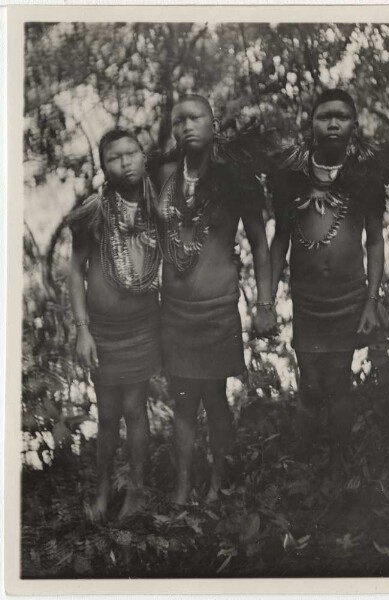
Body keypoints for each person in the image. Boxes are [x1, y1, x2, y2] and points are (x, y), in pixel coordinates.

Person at [154, 94, 276, 505]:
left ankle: (217, 483)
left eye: (195, 117)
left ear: (212, 123)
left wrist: (265, 305)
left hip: (217, 307)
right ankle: (183, 485)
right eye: (178, 121)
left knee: (214, 397)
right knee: (183, 401)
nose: (186, 126)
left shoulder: (235, 175)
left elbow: (259, 244)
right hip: (173, 309)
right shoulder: (162, 172)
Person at [271, 89, 389, 474]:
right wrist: (265, 302)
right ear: (311, 124)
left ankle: (339, 461)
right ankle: (303, 460)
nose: (334, 123)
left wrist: (371, 302)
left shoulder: (364, 176)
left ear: (354, 125)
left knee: (339, 381)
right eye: (325, 116)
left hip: (348, 298)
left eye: (342, 116)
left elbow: (374, 241)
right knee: (309, 382)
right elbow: (279, 242)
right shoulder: (292, 177)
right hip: (307, 302)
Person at [66, 128, 162, 520]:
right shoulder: (93, 212)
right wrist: (82, 328)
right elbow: (75, 273)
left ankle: (136, 491)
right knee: (106, 415)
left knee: (136, 409)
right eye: (114, 157)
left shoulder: (159, 207)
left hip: (143, 327)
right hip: (103, 331)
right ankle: (103, 489)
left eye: (131, 153)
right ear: (103, 167)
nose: (124, 162)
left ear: (144, 156)